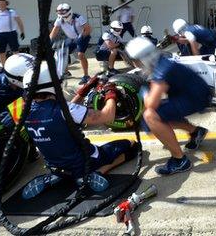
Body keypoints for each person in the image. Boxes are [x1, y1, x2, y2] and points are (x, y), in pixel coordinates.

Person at [17, 63, 140, 199]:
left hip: (55, 164)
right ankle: (96, 172)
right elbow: (108, 116)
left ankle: (56, 176)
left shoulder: (22, 110)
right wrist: (110, 94)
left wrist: (84, 90)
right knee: (132, 145)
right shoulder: (66, 110)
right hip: (85, 162)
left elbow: (65, 113)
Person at [125, 37, 211, 175]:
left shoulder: (161, 69)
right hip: (196, 94)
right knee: (160, 115)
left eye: (136, 60)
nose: (135, 64)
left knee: (150, 116)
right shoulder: (162, 61)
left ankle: (180, 160)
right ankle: (195, 131)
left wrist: (144, 92)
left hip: (195, 98)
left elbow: (151, 103)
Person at [49, 3, 93, 84]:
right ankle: (65, 72)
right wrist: (49, 40)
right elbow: (55, 30)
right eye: (61, 15)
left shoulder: (78, 17)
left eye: (65, 15)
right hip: (72, 38)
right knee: (61, 51)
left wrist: (81, 36)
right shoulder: (59, 18)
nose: (63, 17)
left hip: (83, 36)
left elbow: (88, 29)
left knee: (80, 55)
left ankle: (86, 76)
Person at [0, 0, 25, 67]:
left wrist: (22, 32)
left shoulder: (12, 12)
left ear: (6, 4)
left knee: (15, 50)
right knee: (1, 52)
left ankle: (17, 66)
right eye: (0, 3)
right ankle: (4, 67)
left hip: (11, 33)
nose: (2, 5)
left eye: (4, 3)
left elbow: (19, 22)